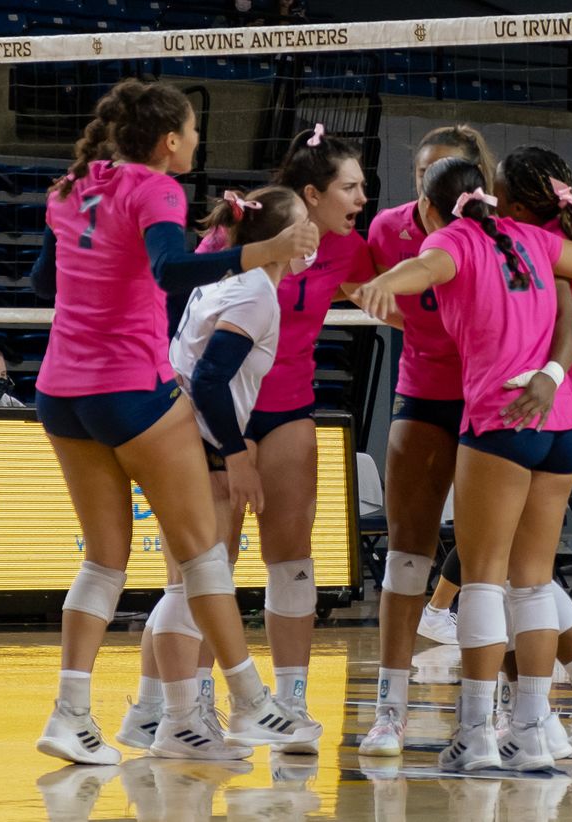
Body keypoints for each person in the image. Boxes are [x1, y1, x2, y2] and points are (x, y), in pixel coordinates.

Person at [32, 78, 321, 766]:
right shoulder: (155, 189)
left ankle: (72, 716)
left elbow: (45, 283)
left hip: (60, 390)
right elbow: (171, 270)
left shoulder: (71, 188)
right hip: (130, 389)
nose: (196, 142)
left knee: (104, 559)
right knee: (201, 555)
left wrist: (103, 274)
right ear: (169, 141)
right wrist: (264, 250)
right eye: (192, 131)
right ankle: (252, 705)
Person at [356, 156, 572, 773]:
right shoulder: (538, 240)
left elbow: (425, 266)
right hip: (563, 426)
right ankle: (531, 727)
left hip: (500, 415)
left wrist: (390, 282)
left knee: (486, 582)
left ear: (435, 207)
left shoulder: (453, 240)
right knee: (532, 583)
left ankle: (477, 734)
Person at [195, 123, 374, 755]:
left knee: (291, 555)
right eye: (351, 188)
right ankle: (195, 705)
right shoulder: (238, 236)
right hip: (221, 412)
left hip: (291, 408)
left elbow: (385, 300)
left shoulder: (349, 250)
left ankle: (290, 700)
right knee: (210, 557)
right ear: (311, 195)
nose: (361, 199)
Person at [118, 186, 314, 761]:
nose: (311, 235)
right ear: (277, 238)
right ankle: (180, 721)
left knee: (186, 581)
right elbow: (207, 380)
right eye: (303, 223)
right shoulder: (255, 293)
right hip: (192, 437)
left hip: (173, 429)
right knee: (197, 582)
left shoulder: (228, 280)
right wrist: (235, 453)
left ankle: (148, 712)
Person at [358, 124, 498, 756]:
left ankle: (486, 716)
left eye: (442, 173)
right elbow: (359, 282)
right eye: (421, 174)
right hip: (421, 391)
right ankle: (390, 710)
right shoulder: (388, 228)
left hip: (485, 394)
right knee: (406, 554)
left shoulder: (493, 231)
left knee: (491, 566)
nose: (429, 185)